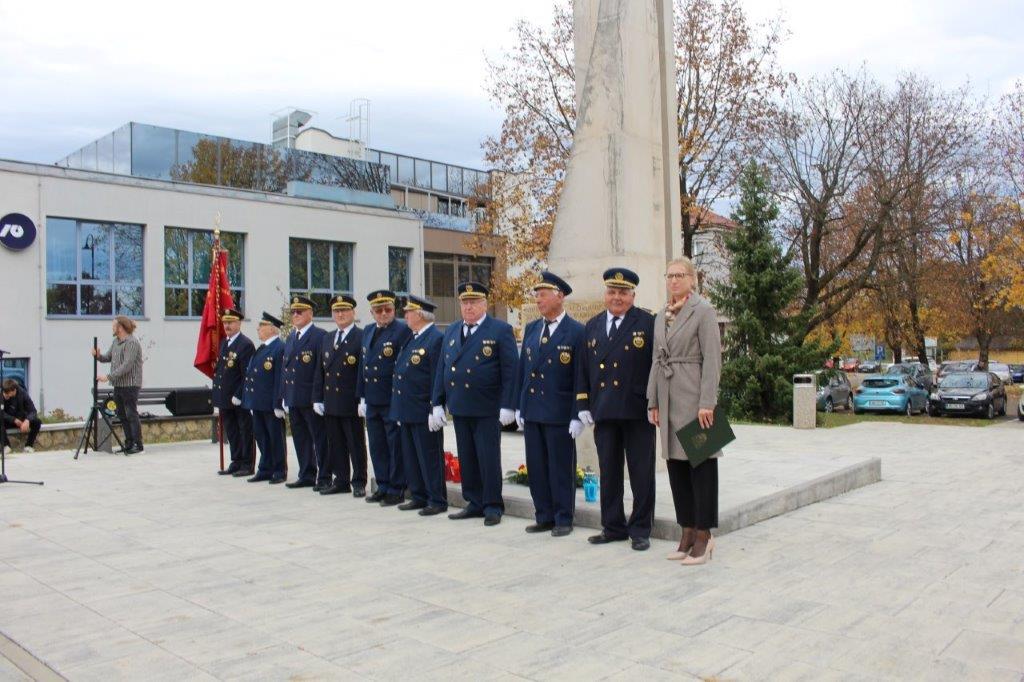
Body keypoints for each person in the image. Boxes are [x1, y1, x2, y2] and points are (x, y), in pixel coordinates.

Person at [647, 257, 722, 565]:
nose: (674, 280)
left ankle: (704, 535)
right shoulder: (660, 315)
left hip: (695, 397)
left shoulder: (703, 311)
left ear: (692, 279)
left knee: (701, 465)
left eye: (680, 275)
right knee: (676, 467)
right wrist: (653, 400)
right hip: (668, 397)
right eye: (669, 276)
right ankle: (687, 531)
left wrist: (708, 401)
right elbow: (656, 359)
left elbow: (713, 359)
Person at [575, 268, 656, 551]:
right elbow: (583, 369)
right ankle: (612, 526)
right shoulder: (593, 325)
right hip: (605, 409)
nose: (617, 297)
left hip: (637, 410)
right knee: (609, 471)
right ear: (605, 294)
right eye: (612, 292)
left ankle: (641, 529)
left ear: (633, 295)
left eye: (623, 292)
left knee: (641, 473)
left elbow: (656, 367)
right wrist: (583, 403)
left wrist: (655, 402)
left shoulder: (647, 323)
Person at [432, 281, 518, 526]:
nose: (468, 307)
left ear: (485, 304)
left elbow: (511, 370)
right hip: (460, 405)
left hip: (486, 406)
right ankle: (474, 502)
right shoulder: (452, 330)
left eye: (474, 302)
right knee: (467, 457)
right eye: (464, 302)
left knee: (488, 458)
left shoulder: (500, 330)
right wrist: (437, 402)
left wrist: (508, 404)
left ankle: (492, 505)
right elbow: (442, 368)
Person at [513, 272, 586, 537]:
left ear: (560, 296)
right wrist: (519, 405)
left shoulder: (576, 331)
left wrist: (577, 414)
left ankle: (564, 517)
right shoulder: (532, 328)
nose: (538, 300)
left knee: (560, 469)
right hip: (533, 410)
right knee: (537, 467)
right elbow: (523, 370)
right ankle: (543, 515)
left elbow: (580, 376)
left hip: (559, 413)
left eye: (543, 294)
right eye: (537, 295)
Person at [392, 294, 447, 515]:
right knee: (411, 456)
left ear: (421, 315)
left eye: (409, 312)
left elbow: (436, 376)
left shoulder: (435, 338)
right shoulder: (412, 338)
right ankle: (418, 495)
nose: (405, 315)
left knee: (429, 456)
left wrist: (436, 406)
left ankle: (436, 499)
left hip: (423, 409)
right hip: (407, 408)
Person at [357, 289, 412, 506]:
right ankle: (383, 484)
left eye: (387, 309)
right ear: (372, 312)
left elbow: (403, 366)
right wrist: (361, 396)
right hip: (372, 399)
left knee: (394, 445)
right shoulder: (368, 331)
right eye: (378, 310)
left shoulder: (402, 330)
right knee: (377, 444)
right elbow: (363, 365)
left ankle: (397, 488)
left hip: (391, 398)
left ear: (394, 309)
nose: (383, 314)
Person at [313, 295, 367, 497]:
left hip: (350, 401)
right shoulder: (327, 338)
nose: (340, 314)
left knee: (355, 444)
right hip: (331, 400)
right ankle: (341, 480)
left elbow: (363, 372)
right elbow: (320, 371)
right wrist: (317, 398)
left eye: (344, 310)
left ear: (353, 312)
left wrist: (362, 398)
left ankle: (359, 481)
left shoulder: (361, 336)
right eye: (336, 311)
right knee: (335, 443)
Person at [279, 295, 328, 489]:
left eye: (300, 311)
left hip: (310, 398)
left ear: (310, 313)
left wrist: (318, 398)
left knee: (320, 439)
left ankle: (324, 476)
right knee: (301, 438)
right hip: (293, 397)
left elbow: (319, 370)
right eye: (293, 312)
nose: (296, 315)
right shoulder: (291, 336)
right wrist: (284, 395)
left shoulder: (319, 336)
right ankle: (307, 473)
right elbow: (286, 368)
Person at [242, 312, 287, 484]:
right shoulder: (261, 348)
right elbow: (251, 375)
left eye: (262, 325)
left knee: (275, 438)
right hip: (258, 402)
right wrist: (249, 400)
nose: (258, 329)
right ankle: (265, 468)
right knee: (261, 437)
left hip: (270, 403)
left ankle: (279, 470)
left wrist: (278, 403)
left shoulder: (279, 348)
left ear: (273, 329)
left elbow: (279, 378)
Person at [212, 308, 256, 477]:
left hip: (239, 397)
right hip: (225, 397)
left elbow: (247, 374)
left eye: (230, 322)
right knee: (231, 431)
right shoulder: (225, 342)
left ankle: (247, 463)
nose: (227, 326)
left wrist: (239, 394)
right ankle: (236, 460)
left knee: (244, 430)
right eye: (225, 322)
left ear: (239, 323)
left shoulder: (245, 344)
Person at [92, 315, 144, 454]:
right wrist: (98, 356)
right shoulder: (116, 342)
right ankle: (129, 444)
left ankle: (138, 445)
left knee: (131, 413)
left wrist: (108, 377)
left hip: (130, 384)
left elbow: (126, 365)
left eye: (114, 325)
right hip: (118, 384)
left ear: (120, 327)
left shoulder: (132, 342)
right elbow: (107, 357)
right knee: (121, 414)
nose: (112, 328)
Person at [1, 379, 40, 454]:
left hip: (21, 419)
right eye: (4, 393)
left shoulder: (23, 394)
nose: (5, 395)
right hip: (8, 420)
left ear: (14, 390)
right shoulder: (2, 393)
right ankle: (6, 446)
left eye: (8, 393)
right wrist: (13, 420)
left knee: (37, 422)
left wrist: (27, 420)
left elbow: (33, 411)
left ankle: (28, 446)